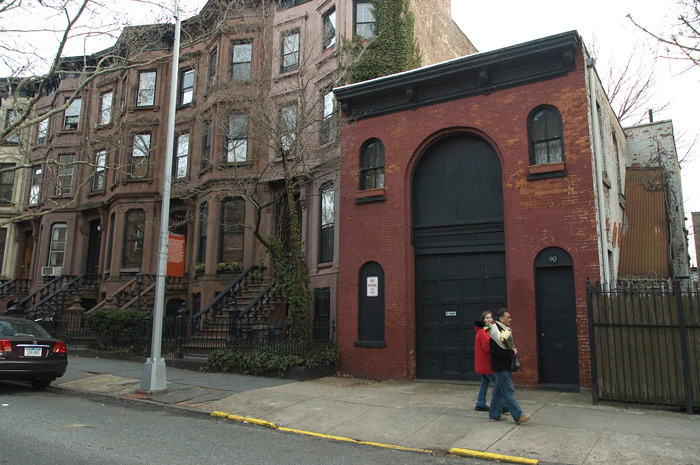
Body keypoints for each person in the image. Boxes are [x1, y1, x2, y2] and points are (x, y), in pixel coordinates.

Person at [488, 308, 530, 424]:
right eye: (508, 317)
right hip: (500, 366)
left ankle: (494, 414)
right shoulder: (495, 331)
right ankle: (518, 416)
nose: (510, 319)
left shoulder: (504, 330)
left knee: (498, 391)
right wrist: (511, 353)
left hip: (502, 366)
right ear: (501, 319)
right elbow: (496, 351)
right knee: (508, 390)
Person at [473, 311, 494, 411]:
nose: (489, 319)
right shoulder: (484, 332)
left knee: (485, 383)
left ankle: (480, 403)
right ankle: (501, 405)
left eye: (490, 317)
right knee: (498, 384)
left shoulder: (486, 330)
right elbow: (487, 347)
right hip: (487, 363)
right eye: (487, 318)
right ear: (483, 320)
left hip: (483, 363)